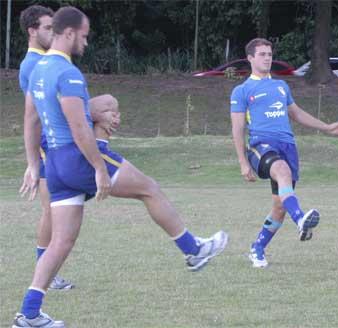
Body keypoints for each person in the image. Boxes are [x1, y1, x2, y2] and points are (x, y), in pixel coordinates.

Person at [14, 6, 228, 328]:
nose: (86, 43)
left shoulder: (38, 70)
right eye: (84, 36)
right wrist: (99, 168)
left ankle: (29, 313)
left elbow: (31, 122)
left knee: (61, 242)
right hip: (78, 158)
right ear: (69, 33)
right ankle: (193, 249)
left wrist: (34, 163)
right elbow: (79, 127)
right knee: (150, 189)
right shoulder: (67, 72)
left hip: (55, 165)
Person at [18, 4, 121, 290]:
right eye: (47, 28)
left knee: (56, 213)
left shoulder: (50, 62)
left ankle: (45, 279)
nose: (54, 32)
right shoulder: (34, 65)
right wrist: (32, 162)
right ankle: (45, 276)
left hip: (57, 143)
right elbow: (37, 114)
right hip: (52, 144)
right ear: (32, 31)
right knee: (52, 211)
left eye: (55, 27)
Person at [230, 38, 338, 268]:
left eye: (269, 53)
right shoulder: (242, 90)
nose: (267, 57)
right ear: (251, 58)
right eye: (262, 54)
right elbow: (237, 127)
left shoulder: (281, 87)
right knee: (281, 171)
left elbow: (297, 114)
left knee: (280, 206)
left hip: (288, 146)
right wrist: (243, 162)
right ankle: (301, 219)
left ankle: (257, 249)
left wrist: (327, 127)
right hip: (261, 145)